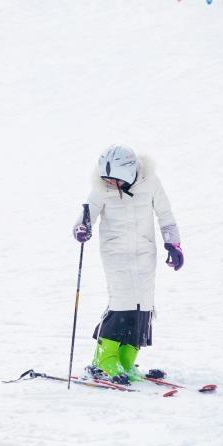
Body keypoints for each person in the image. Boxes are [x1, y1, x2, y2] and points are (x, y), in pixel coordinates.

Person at [73, 144, 183, 385]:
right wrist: (82, 229)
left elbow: (165, 215)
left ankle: (125, 359)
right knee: (122, 303)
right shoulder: (100, 190)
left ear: (129, 173)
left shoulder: (151, 182)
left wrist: (173, 244)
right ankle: (103, 361)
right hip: (115, 254)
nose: (109, 183)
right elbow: (86, 216)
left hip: (145, 253)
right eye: (106, 179)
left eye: (114, 180)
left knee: (143, 305)